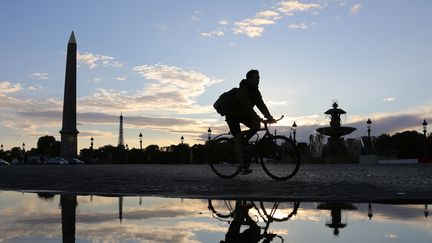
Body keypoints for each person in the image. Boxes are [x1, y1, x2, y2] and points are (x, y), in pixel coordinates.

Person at [225, 69, 275, 174]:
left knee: (257, 125)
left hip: (243, 114)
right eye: (256, 78)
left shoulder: (256, 91)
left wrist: (269, 116)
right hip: (232, 114)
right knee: (238, 138)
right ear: (249, 79)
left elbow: (261, 105)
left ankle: (244, 141)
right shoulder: (242, 90)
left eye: (259, 78)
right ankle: (242, 167)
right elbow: (247, 107)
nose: (258, 80)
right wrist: (259, 117)